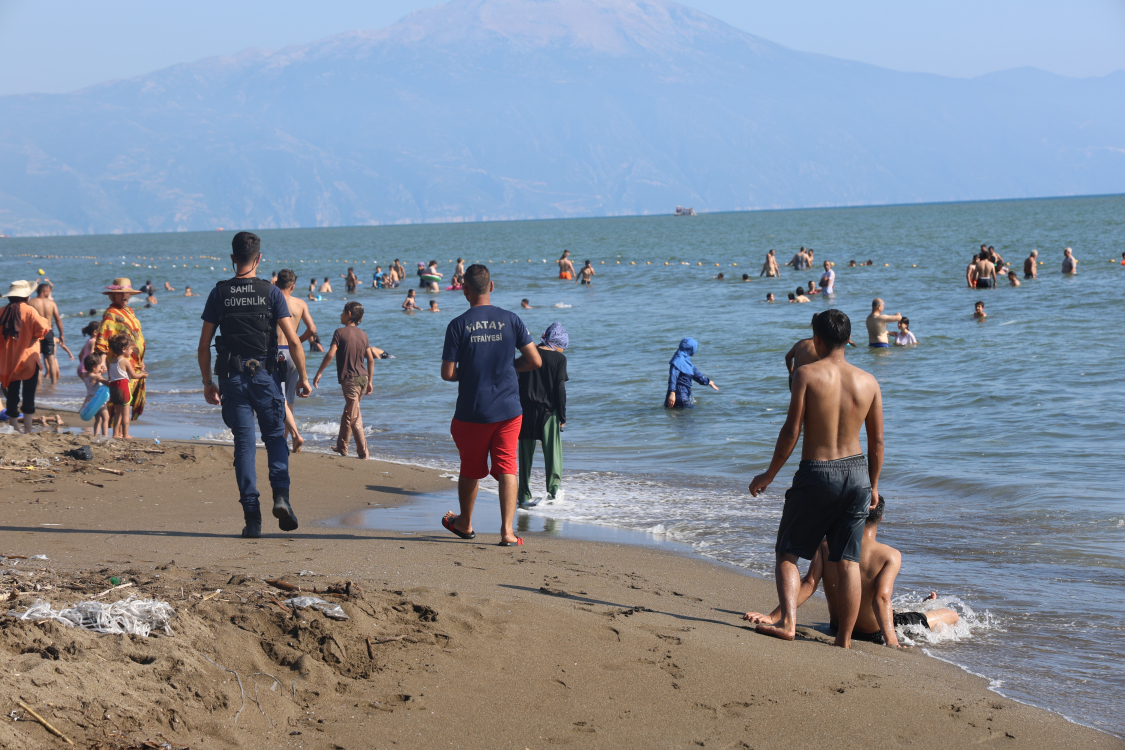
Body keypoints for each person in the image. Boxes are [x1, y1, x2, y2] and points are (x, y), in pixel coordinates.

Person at [748, 309, 884, 648]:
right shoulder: (869, 381)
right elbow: (877, 441)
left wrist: (770, 473)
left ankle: (789, 623)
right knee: (848, 560)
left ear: (817, 340)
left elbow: (792, 431)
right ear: (849, 339)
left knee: (788, 552)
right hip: (857, 475)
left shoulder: (805, 375)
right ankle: (844, 640)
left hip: (818, 472)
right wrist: (875, 485)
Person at [197, 232, 310, 538]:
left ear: (232, 258)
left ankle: (252, 519)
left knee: (244, 447)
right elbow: (294, 340)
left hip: (232, 378)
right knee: (275, 440)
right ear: (259, 258)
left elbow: (204, 345)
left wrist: (208, 382)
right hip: (265, 377)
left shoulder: (219, 293)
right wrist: (303, 377)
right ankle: (281, 497)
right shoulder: (271, 293)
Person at [743, 498, 960, 646]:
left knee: (899, 609)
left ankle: (921, 606)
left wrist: (773, 616)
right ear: (881, 519)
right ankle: (925, 608)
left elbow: (808, 584)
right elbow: (881, 598)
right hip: (873, 633)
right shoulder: (890, 555)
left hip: (839, 626)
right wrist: (892, 642)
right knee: (951, 614)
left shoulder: (826, 545)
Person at [440, 264, 542, 546]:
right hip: (508, 410)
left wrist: (473, 372)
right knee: (508, 467)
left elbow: (448, 374)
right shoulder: (512, 319)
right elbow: (535, 360)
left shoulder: (458, 324)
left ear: (465, 290)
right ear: (492, 286)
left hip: (472, 411)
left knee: (471, 469)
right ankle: (507, 533)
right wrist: (509, 366)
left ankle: (464, 523)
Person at [313, 301, 374, 460]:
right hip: (363, 378)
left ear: (348, 314)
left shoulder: (339, 332)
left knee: (354, 417)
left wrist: (319, 372)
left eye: (342, 311)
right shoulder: (363, 334)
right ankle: (342, 446)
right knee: (349, 412)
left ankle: (363, 452)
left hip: (350, 379)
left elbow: (330, 354)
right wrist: (370, 381)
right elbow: (371, 359)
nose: (340, 314)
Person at [517, 323, 569, 508]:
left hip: (524, 410)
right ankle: (553, 494)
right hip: (549, 412)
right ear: (558, 341)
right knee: (553, 454)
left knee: (525, 456)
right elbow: (560, 390)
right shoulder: (559, 359)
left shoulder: (528, 354)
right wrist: (562, 416)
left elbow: (516, 382)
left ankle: (523, 495)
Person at [94, 279, 147, 427]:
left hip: (134, 361)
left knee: (128, 397)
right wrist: (103, 361)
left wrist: (140, 359)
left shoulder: (129, 311)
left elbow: (136, 334)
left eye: (127, 293)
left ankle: (122, 432)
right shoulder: (111, 314)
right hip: (121, 363)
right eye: (121, 293)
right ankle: (119, 433)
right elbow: (104, 338)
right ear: (112, 296)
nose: (125, 295)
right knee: (121, 399)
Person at [275, 269, 317, 453]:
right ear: (293, 286)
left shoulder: (272, 301)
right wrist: (297, 341)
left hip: (275, 352)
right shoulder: (300, 303)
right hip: (293, 352)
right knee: (289, 397)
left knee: (276, 395)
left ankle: (293, 435)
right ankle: (286, 440)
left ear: (276, 284)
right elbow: (312, 329)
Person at [1, 280, 50, 434]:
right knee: (28, 393)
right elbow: (43, 328)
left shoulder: (2, 312)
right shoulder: (30, 311)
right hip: (29, 359)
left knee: (12, 394)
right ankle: (28, 429)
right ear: (27, 296)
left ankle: (14, 427)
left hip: (9, 361)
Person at [106, 334, 146, 439]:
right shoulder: (125, 361)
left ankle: (115, 434)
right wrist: (142, 375)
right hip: (123, 386)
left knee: (117, 413)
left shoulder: (112, 361)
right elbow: (133, 376)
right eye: (131, 349)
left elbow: (110, 377)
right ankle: (125, 434)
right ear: (124, 349)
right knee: (125, 413)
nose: (132, 351)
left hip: (113, 387)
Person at [29, 281, 66, 385]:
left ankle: (39, 384)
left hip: (36, 333)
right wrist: (61, 334)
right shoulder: (52, 303)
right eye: (49, 291)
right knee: (51, 360)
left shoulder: (31, 302)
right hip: (49, 332)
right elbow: (58, 319)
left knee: (37, 359)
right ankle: (53, 384)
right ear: (45, 292)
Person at [664, 337, 718, 408]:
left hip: (682, 394)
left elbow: (696, 374)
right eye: (694, 348)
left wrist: (708, 381)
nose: (695, 351)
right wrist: (672, 392)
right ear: (689, 348)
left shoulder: (686, 360)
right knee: (690, 414)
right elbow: (673, 377)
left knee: (680, 416)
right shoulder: (678, 360)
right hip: (679, 395)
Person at [784, 314, 820, 391]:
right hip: (805, 382)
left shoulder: (800, 343)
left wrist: (791, 372)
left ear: (812, 325)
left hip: (793, 380)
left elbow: (788, 357)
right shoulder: (817, 348)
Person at [80, 352, 110, 436]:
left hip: (90, 400)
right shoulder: (96, 377)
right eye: (99, 365)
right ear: (94, 367)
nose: (101, 367)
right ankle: (105, 436)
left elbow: (94, 377)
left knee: (98, 419)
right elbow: (107, 383)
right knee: (106, 418)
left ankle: (96, 435)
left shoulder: (85, 375)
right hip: (98, 400)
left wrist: (99, 372)